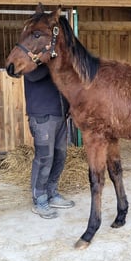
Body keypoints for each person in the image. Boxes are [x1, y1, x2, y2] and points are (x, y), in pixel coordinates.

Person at [24, 64, 75, 218]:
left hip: (59, 115)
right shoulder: (30, 61)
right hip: (42, 117)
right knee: (44, 158)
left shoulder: (56, 62)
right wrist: (53, 62)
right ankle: (39, 199)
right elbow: (33, 75)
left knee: (60, 156)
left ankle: (51, 193)